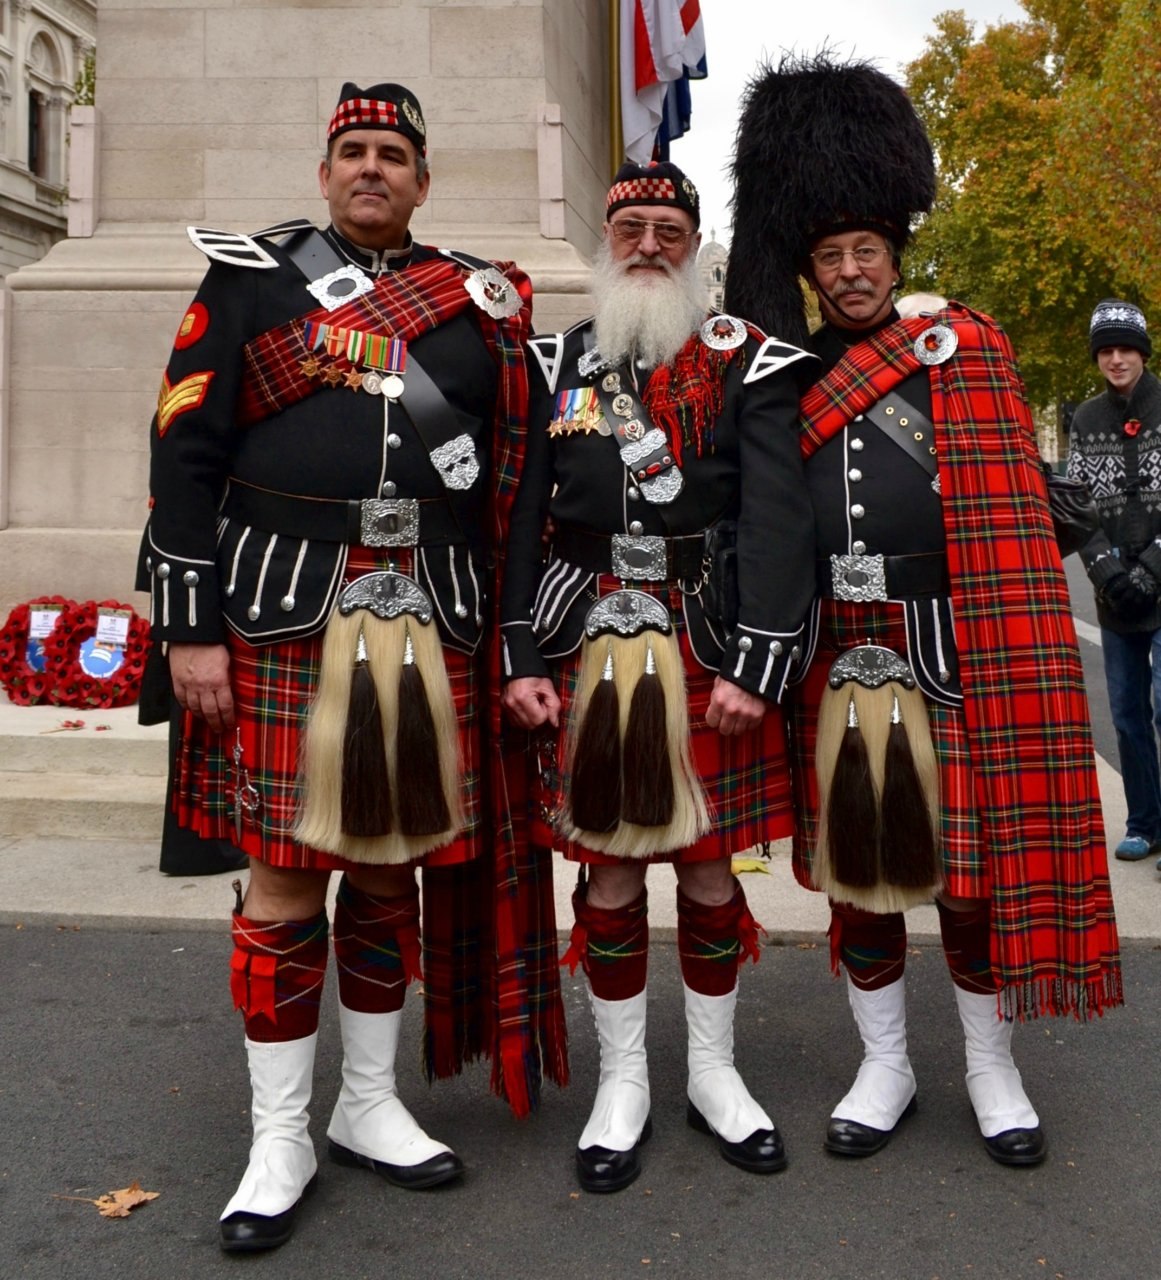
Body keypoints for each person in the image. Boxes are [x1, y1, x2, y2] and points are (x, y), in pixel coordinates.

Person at [140, 81, 565, 1252]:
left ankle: (369, 1104)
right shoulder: (250, 277)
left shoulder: (480, 302)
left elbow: (519, 481)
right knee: (285, 874)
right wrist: (189, 623)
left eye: (393, 153)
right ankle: (280, 1131)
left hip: (432, 619)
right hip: (280, 615)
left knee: (389, 870)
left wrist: (517, 633)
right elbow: (184, 445)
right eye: (353, 151)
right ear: (325, 174)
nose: (372, 167)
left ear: (423, 181)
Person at [726, 53, 1123, 1167]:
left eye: (866, 252)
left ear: (895, 255)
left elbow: (1005, 501)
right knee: (864, 873)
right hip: (842, 652)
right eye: (830, 257)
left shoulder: (967, 348)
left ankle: (991, 1068)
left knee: (969, 872)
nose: (850, 271)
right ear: (809, 272)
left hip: (952, 647)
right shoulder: (789, 373)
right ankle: (886, 1063)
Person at [500, 160, 816, 1191]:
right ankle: (624, 1078)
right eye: (628, 224)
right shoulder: (559, 365)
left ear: (693, 242)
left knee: (714, 866)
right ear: (604, 237)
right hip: (588, 635)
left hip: (705, 638)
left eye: (666, 227)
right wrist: (520, 650)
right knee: (613, 867)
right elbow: (520, 515)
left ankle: (715, 1073)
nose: (646, 242)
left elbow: (776, 517)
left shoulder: (743, 362)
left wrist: (760, 661)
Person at [1067, 300, 1161, 864]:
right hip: (1115, 589)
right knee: (1125, 712)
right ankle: (1145, 821)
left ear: (1143, 353)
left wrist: (1150, 569)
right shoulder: (1086, 418)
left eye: (1126, 348)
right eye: (1107, 350)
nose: (1117, 359)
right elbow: (1077, 508)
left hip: (1158, 572)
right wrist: (1106, 571)